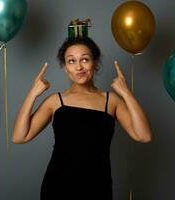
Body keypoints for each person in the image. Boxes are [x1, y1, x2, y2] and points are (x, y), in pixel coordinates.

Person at [12, 36, 152, 200]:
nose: (79, 67)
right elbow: (19, 136)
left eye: (84, 59)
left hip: (98, 188)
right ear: (65, 68)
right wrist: (33, 93)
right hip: (58, 187)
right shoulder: (55, 101)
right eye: (71, 61)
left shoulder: (111, 101)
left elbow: (144, 135)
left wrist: (126, 93)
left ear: (95, 62)